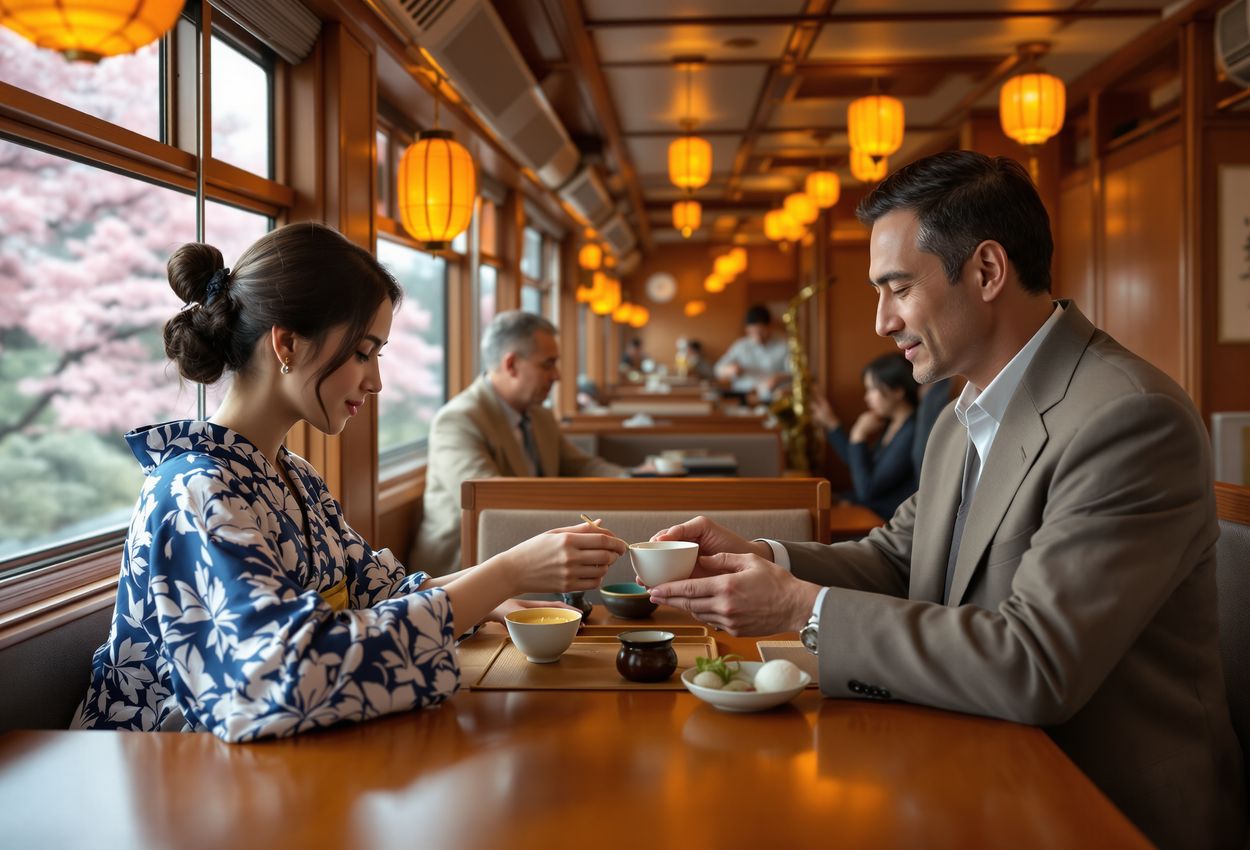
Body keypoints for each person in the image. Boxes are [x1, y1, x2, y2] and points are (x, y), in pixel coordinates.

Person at [647, 152, 1245, 850]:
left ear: (987, 271)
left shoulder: (1127, 418)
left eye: (897, 288)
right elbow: (901, 559)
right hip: (972, 763)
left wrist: (797, 608)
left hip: (1097, 809)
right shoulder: (965, 409)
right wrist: (764, 558)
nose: (880, 321)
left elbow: (1036, 665)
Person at [72, 223, 626, 743]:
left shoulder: (294, 475)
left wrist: (496, 591)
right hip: (159, 777)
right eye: (363, 352)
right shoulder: (194, 490)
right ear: (286, 344)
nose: (377, 380)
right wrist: (507, 570)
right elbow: (276, 680)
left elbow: (378, 593)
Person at [413, 310, 627, 574]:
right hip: (465, 569)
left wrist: (636, 484)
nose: (557, 375)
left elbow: (582, 466)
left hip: (529, 549)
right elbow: (491, 500)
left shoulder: (540, 415)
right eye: (548, 364)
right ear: (512, 364)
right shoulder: (457, 420)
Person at [810, 352, 919, 518]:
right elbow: (861, 465)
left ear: (897, 391)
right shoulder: (893, 423)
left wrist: (858, 435)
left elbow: (867, 490)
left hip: (887, 522)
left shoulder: (912, 431)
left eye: (871, 389)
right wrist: (832, 424)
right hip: (873, 514)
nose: (866, 398)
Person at [714, 305, 789, 401]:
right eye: (752, 332)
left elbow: (794, 373)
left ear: (770, 326)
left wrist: (778, 378)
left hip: (774, 398)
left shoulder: (784, 344)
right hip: (743, 397)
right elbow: (717, 369)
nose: (758, 337)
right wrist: (730, 370)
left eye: (761, 332)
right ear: (747, 330)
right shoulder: (741, 345)